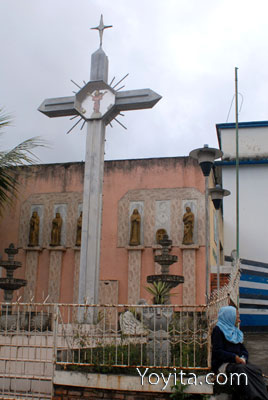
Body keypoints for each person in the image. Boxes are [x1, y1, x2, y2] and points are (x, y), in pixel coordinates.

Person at [212, 305, 268, 399]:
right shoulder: (218, 330)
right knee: (242, 371)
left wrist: (243, 358)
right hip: (224, 364)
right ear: (229, 316)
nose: (239, 320)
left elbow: (244, 350)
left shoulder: (235, 331)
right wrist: (234, 358)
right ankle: (255, 397)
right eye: (237, 316)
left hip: (237, 363)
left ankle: (263, 397)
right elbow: (218, 352)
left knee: (256, 370)